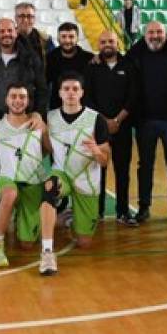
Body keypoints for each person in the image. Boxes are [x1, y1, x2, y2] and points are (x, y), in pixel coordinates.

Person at [39, 71, 111, 275]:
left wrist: (97, 152)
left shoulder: (96, 120)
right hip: (62, 174)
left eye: (75, 89)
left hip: (87, 181)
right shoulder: (49, 118)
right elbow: (43, 148)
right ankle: (47, 252)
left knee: (84, 243)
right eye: (66, 89)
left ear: (82, 93)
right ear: (60, 93)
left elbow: (105, 161)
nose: (71, 93)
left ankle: (68, 216)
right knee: (49, 187)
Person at [0, 17, 48, 212]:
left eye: (10, 30)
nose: (6, 34)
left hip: (24, 117)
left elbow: (43, 89)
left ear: (16, 32)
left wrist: (38, 113)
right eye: (1, 31)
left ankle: (24, 207)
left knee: (25, 161)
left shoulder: (30, 56)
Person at [126, 21, 167, 225]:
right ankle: (144, 207)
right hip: (145, 121)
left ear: (166, 34)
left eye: (159, 31)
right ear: (144, 34)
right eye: (151, 32)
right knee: (145, 166)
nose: (155, 35)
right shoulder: (134, 55)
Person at [0, 83, 47, 267]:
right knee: (9, 194)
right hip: (7, 179)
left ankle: (20, 217)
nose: (18, 101)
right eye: (13, 96)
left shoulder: (38, 125)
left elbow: (48, 150)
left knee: (27, 245)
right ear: (6, 99)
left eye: (22, 97)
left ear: (28, 101)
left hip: (33, 182)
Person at [85, 30, 137, 224]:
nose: (108, 44)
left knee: (123, 170)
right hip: (99, 128)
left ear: (118, 43)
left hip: (122, 127)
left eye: (111, 41)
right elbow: (87, 97)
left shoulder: (129, 65)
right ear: (99, 44)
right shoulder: (92, 67)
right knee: (99, 170)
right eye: (104, 41)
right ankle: (96, 211)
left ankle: (123, 212)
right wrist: (104, 122)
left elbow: (133, 96)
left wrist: (117, 120)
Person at [46, 22, 93, 111]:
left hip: (83, 109)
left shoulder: (89, 59)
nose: (67, 40)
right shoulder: (50, 58)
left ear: (77, 38)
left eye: (71, 37)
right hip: (56, 109)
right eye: (63, 36)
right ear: (58, 38)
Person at [14, 2, 54, 67]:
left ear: (34, 19)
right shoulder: (6, 39)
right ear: (16, 18)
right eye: (22, 16)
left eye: (29, 16)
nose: (26, 20)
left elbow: (53, 63)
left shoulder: (45, 40)